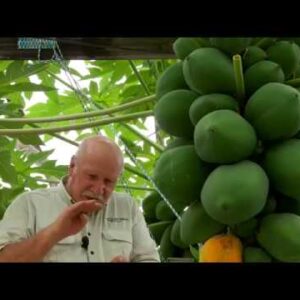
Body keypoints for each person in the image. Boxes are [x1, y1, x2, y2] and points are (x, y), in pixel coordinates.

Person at [0, 135, 160, 262]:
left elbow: (149, 259)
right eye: (92, 176)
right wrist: (55, 232)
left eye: (108, 181)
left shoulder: (127, 207)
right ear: (72, 166)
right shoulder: (29, 205)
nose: (99, 189)